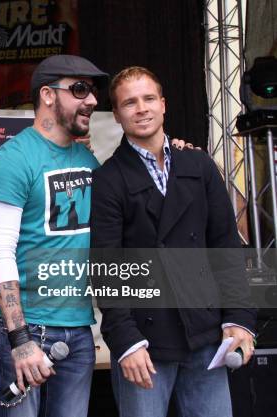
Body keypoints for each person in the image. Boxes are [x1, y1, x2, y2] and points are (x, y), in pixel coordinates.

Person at [90, 66, 256, 417]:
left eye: (149, 98)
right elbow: (106, 269)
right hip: (146, 344)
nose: (142, 108)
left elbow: (225, 248)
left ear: (163, 105)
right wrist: (126, 342)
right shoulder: (108, 179)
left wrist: (239, 318)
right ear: (117, 115)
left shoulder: (198, 164)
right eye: (130, 103)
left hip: (207, 336)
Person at [0, 55, 108, 417]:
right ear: (48, 95)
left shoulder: (89, 162)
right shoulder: (13, 159)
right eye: (80, 89)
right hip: (27, 330)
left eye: (93, 91)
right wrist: (19, 340)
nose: (92, 101)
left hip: (80, 330)